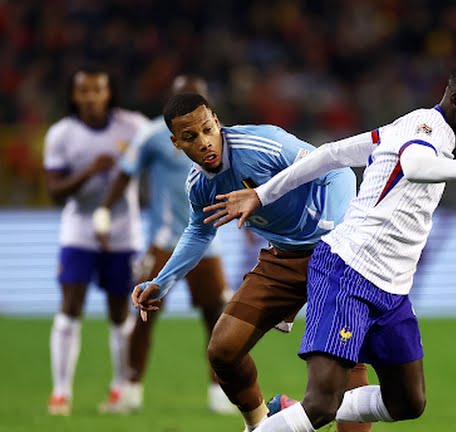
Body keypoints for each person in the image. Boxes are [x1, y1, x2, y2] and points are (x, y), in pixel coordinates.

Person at [199, 62, 456, 431]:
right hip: (349, 271)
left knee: (407, 402)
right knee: (321, 405)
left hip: (392, 288)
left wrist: (261, 194)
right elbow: (414, 165)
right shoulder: (424, 129)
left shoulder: (407, 127)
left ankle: (287, 411)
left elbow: (331, 154)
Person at [129, 93, 372, 432]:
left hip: (335, 253)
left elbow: (338, 171)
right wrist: (162, 281)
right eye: (190, 137)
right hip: (284, 258)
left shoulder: (263, 143)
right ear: (175, 143)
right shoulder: (199, 185)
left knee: (344, 357)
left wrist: (333, 235)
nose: (204, 143)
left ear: (216, 121)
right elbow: (199, 232)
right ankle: (261, 425)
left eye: (207, 129)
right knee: (223, 350)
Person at [94, 75, 236, 414]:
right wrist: (104, 210)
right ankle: (131, 390)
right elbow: (126, 173)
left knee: (217, 318)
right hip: (164, 241)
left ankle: (220, 392)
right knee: (144, 313)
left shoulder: (219, 135)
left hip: (207, 242)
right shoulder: (153, 136)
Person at [43, 66, 149, 415]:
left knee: (120, 313)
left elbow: (161, 154)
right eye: (83, 91)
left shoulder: (132, 126)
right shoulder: (62, 134)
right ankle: (60, 392)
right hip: (79, 230)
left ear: (108, 93)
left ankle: (119, 387)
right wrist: (89, 172)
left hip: (122, 233)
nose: (90, 97)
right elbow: (54, 192)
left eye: (97, 90)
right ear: (74, 95)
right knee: (70, 306)